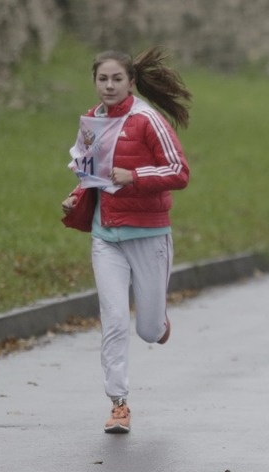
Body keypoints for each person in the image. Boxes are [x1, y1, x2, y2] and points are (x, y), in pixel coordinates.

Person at [60, 47, 191, 434]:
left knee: (147, 330)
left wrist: (134, 175)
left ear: (131, 82)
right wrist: (78, 195)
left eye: (117, 79)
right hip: (107, 236)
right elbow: (93, 174)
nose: (109, 86)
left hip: (149, 235)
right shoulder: (92, 121)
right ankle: (118, 404)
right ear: (95, 81)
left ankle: (158, 321)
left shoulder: (147, 119)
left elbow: (179, 171)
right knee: (114, 319)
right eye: (103, 79)